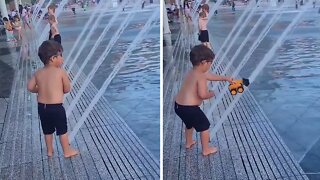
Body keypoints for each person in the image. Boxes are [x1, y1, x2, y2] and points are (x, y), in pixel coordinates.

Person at [175, 45, 234, 156]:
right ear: (203, 62)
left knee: (189, 124)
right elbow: (202, 95)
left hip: (179, 106)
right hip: (190, 108)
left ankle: (188, 143)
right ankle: (206, 150)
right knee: (205, 126)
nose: (211, 65)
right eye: (210, 62)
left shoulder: (192, 72)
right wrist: (212, 93)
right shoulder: (201, 76)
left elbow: (210, 76)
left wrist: (225, 78)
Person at [27, 40, 78, 158]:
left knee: (47, 130)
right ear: (53, 58)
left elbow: (30, 87)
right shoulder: (61, 72)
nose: (62, 59)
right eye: (61, 55)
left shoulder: (38, 72)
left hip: (42, 107)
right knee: (62, 130)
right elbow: (67, 89)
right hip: (56, 108)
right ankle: (67, 151)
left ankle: (49, 151)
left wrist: (39, 90)